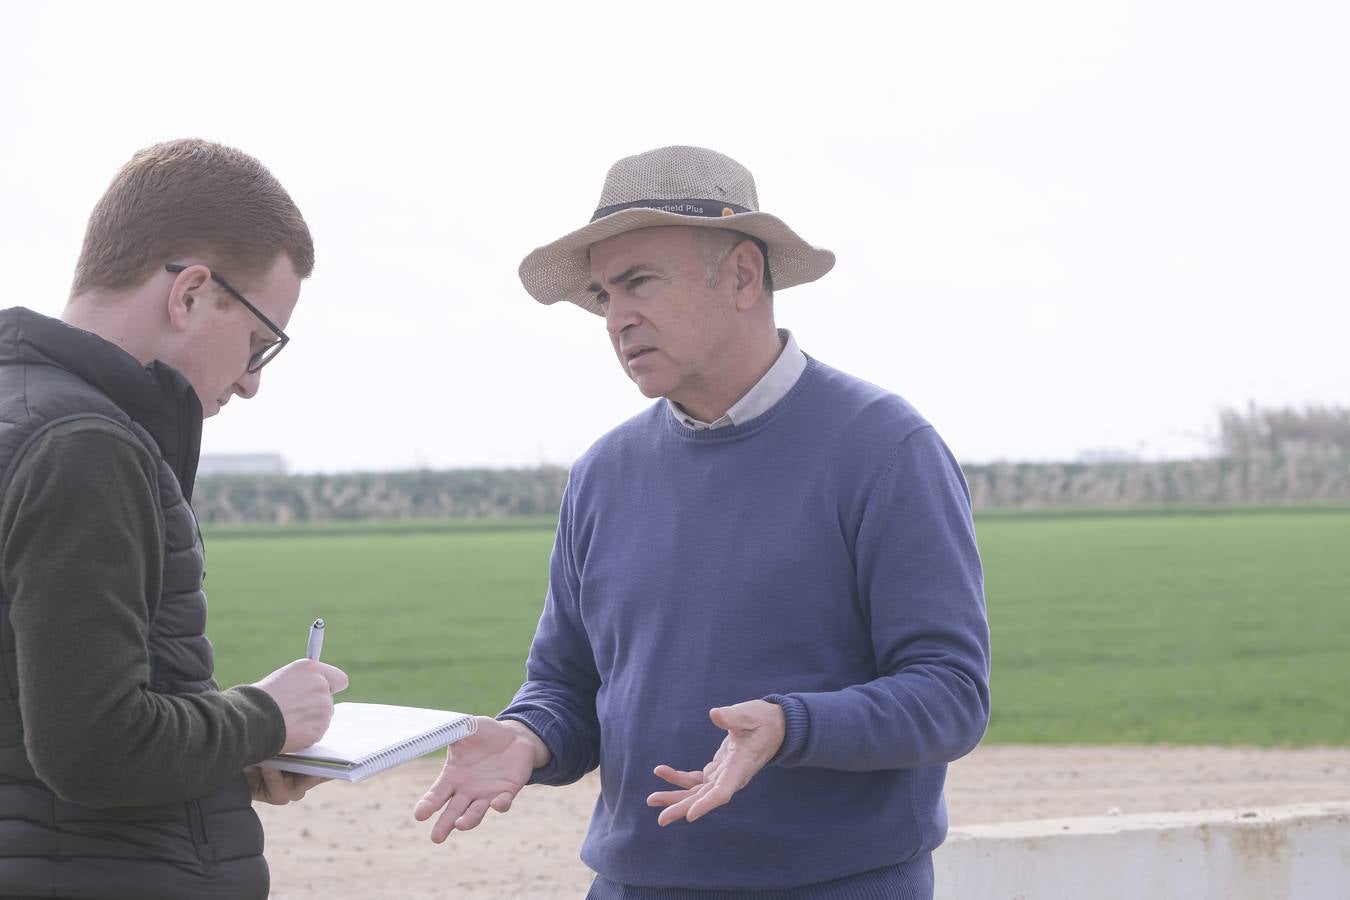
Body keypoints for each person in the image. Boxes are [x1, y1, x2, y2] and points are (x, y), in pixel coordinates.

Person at [415, 145, 991, 898]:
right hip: (631, 885)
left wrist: (791, 725)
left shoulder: (884, 449)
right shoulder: (602, 474)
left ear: (744, 275)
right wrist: (527, 737)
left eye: (639, 283)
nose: (618, 318)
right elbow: (566, 684)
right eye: (602, 297)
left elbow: (950, 695)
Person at [0, 139, 348, 899]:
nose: (253, 383)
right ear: (191, 292)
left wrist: (222, 750)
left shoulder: (23, 418)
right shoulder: (85, 447)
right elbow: (92, 747)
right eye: (260, 341)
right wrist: (263, 717)